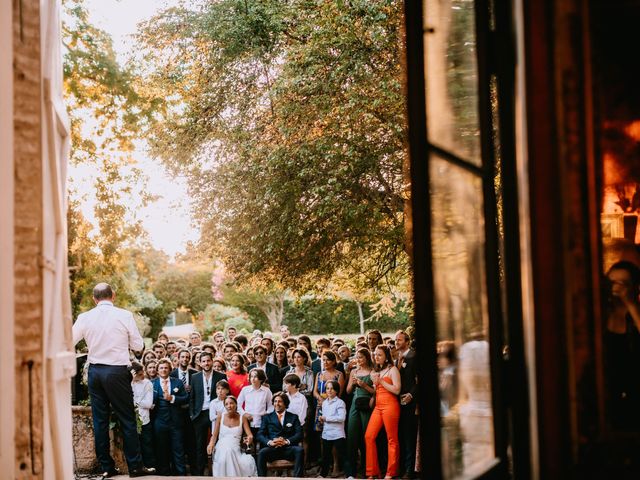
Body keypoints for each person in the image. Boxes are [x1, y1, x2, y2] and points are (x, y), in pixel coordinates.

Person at [72, 282, 154, 478]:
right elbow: (137, 344)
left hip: (95, 372)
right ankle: (135, 466)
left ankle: (106, 467)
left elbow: (69, 340)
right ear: (113, 295)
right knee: (127, 418)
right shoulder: (124, 315)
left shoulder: (85, 317)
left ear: (94, 298)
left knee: (100, 421)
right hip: (116, 371)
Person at [604, 260, 640, 429]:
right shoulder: (598, 312)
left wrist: (631, 304)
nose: (617, 288)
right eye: (612, 282)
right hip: (607, 396)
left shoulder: (636, 313)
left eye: (624, 283)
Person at [364, 345, 401, 479]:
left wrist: (380, 381)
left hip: (390, 405)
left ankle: (391, 473)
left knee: (392, 439)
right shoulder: (377, 370)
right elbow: (376, 390)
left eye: (379, 355)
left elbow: (397, 390)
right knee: (369, 436)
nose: (376, 357)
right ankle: (372, 471)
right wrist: (373, 383)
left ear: (386, 357)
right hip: (378, 406)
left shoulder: (393, 370)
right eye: (375, 355)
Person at [189, 351, 228, 475]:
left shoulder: (221, 376)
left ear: (212, 361)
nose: (206, 363)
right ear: (200, 363)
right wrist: (192, 414)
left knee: (216, 442)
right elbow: (192, 397)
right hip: (199, 415)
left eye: (208, 360)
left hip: (216, 415)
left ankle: (216, 471)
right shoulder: (195, 377)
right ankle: (199, 473)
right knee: (199, 445)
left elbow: (226, 395)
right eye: (204, 361)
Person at [152, 358, 189, 475]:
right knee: (161, 450)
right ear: (158, 370)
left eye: (166, 368)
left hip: (176, 422)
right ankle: (164, 474)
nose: (163, 370)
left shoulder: (177, 382)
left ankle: (181, 474)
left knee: (178, 449)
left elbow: (185, 398)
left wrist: (172, 398)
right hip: (160, 422)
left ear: (170, 369)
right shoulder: (152, 383)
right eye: (161, 368)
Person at [256, 393, 305, 477]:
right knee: (261, 452)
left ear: (285, 403)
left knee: (299, 450)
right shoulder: (267, 417)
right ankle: (262, 478)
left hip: (288, 449)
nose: (277, 404)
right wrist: (270, 442)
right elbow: (260, 434)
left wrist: (286, 441)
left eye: (280, 401)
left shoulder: (293, 417)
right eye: (275, 401)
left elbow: (299, 434)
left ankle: (298, 478)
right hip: (272, 449)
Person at [207, 396, 257, 477]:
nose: (229, 406)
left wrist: (250, 438)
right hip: (221, 445)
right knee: (226, 451)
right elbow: (214, 435)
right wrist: (211, 443)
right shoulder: (220, 416)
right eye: (226, 404)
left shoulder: (242, 418)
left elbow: (250, 435)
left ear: (236, 404)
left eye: (231, 403)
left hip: (235, 445)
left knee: (229, 451)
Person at [345, 348, 375, 478]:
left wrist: (364, 385)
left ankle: (366, 469)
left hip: (367, 404)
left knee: (366, 437)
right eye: (357, 357)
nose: (358, 359)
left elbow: (376, 391)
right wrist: (352, 382)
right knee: (352, 436)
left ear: (367, 358)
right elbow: (347, 391)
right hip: (355, 404)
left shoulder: (373, 371)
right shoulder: (353, 371)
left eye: (361, 357)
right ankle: (351, 471)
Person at [395, 330, 418, 478]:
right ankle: (400, 467)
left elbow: (419, 379)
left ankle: (409, 470)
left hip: (410, 401)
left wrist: (411, 394)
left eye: (400, 340)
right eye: (396, 340)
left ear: (407, 342)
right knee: (400, 435)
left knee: (409, 435)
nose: (397, 342)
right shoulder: (395, 356)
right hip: (396, 401)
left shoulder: (414, 356)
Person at [318, 380, 347, 478]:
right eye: (327, 388)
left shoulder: (340, 403)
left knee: (343, 455)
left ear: (337, 391)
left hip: (337, 433)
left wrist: (327, 419)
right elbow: (326, 417)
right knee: (325, 456)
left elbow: (341, 418)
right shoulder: (325, 403)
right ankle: (323, 475)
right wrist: (322, 419)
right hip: (327, 433)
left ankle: (350, 475)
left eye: (332, 389)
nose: (329, 391)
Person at [131, 362, 155, 471]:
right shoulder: (126, 384)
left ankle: (150, 468)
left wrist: (134, 401)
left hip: (145, 420)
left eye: (143, 373)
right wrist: (141, 400)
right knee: (134, 446)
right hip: (130, 420)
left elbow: (149, 404)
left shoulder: (147, 383)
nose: (143, 376)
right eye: (140, 374)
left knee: (147, 446)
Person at [238, 369, 274, 435]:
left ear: (261, 379)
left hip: (262, 422)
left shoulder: (267, 391)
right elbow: (238, 404)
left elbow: (271, 406)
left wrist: (266, 413)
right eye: (251, 376)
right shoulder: (245, 390)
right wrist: (244, 414)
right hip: (247, 421)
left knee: (260, 441)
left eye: (255, 377)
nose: (253, 379)